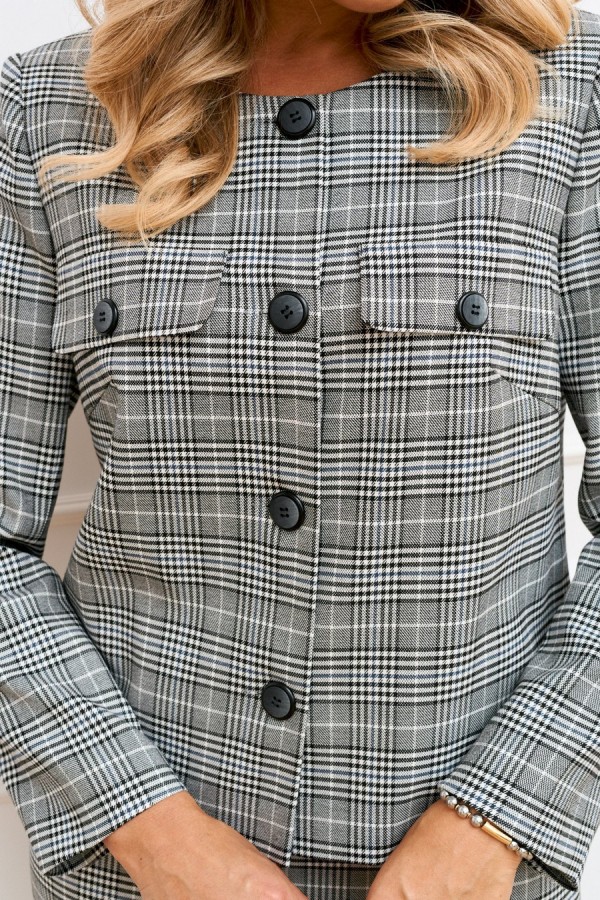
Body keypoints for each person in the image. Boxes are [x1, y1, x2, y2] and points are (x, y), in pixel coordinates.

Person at [1, 0, 599, 897]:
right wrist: (154, 834)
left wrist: (497, 818)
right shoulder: (47, 108)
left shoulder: (571, 90)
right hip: (134, 876)